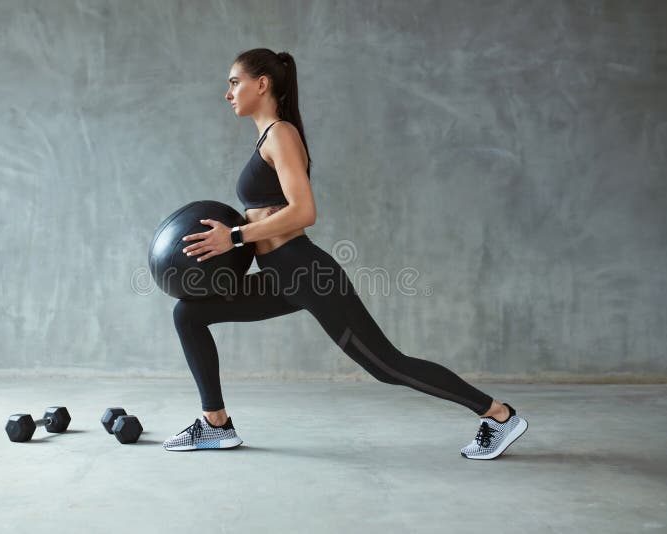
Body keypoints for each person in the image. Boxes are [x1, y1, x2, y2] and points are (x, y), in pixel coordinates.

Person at [162, 48, 528, 459]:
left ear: (261, 84)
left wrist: (236, 236)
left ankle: (499, 415)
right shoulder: (268, 137)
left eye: (234, 82)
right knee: (189, 313)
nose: (228, 93)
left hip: (305, 272)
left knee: (389, 366)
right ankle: (216, 424)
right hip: (282, 276)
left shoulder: (281, 134)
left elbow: (305, 211)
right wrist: (235, 239)